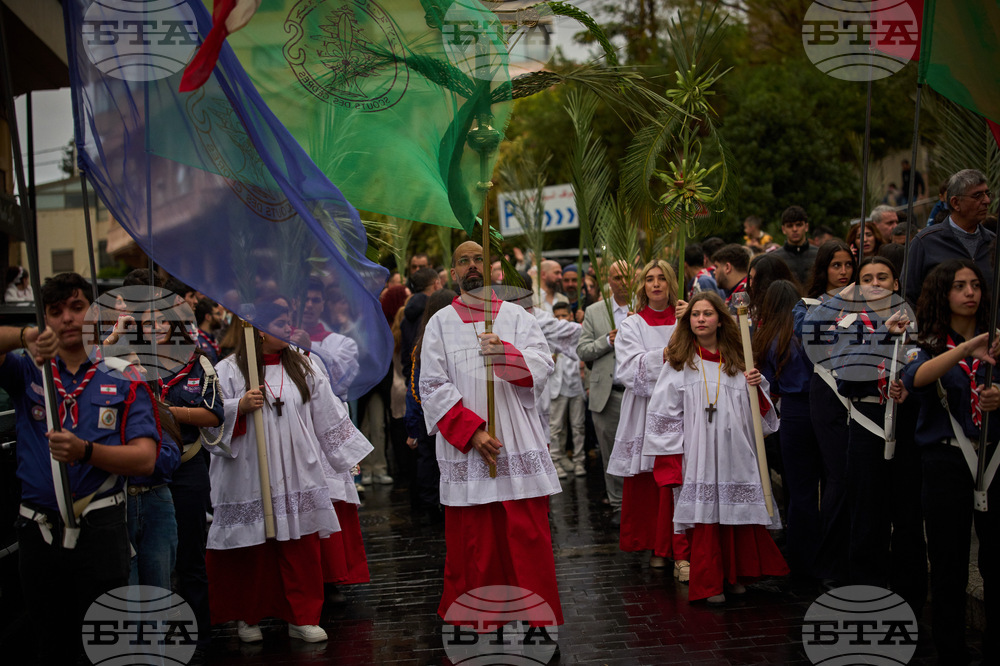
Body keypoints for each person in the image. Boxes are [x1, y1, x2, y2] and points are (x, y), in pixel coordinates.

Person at [0, 272, 160, 664]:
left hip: (101, 531)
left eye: (76, 307)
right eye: (55, 312)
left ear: (95, 314)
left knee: (103, 648)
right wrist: (25, 337)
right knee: (51, 646)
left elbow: (145, 458)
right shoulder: (28, 371)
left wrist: (86, 451)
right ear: (46, 320)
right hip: (39, 534)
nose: (67, 319)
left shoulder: (123, 376)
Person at [205, 302, 372, 643]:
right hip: (249, 470)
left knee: (301, 544)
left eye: (288, 322)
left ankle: (302, 615)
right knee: (252, 545)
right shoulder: (228, 371)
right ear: (256, 329)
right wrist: (239, 407)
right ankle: (248, 617)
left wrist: (348, 456)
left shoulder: (303, 366)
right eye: (279, 322)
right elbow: (209, 421)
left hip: (296, 470)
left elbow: (328, 412)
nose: (288, 328)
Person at [419, 240, 563, 631]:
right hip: (469, 449)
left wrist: (506, 354)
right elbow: (431, 386)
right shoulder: (440, 323)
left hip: (516, 442)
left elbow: (542, 365)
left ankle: (534, 621)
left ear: (494, 269)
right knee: (476, 545)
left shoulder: (517, 317)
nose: (471, 266)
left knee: (526, 539)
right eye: (463, 261)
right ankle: (481, 623)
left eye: (478, 259)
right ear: (452, 273)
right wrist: (473, 432)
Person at [643, 291, 788, 603]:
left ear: (721, 320)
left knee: (735, 513)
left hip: (734, 452)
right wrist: (673, 456)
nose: (700, 320)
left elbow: (759, 414)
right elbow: (663, 412)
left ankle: (735, 575)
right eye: (695, 315)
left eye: (707, 314)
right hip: (699, 454)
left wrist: (756, 386)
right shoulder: (680, 364)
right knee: (707, 516)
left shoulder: (739, 361)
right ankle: (711, 583)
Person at [902, 259, 999, 664]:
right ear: (943, 294)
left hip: (993, 460)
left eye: (975, 284)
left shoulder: (996, 341)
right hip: (945, 459)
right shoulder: (924, 342)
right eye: (960, 286)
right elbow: (915, 379)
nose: (970, 292)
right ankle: (952, 652)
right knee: (948, 563)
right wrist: (963, 348)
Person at [822, 257, 912, 588]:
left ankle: (905, 585)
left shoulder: (915, 320)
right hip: (867, 417)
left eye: (883, 277)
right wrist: (883, 338)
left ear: (896, 284)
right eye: (867, 278)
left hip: (908, 419)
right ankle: (866, 586)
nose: (875, 283)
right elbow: (846, 368)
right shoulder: (847, 322)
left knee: (906, 511)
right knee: (866, 510)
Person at [606, 259, 690, 580]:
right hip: (645, 409)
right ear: (642, 286)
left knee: (678, 478)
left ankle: (679, 547)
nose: (656, 285)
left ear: (671, 283)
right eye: (649, 280)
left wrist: (688, 326)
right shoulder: (632, 325)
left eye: (662, 279)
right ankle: (657, 546)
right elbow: (629, 370)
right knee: (650, 481)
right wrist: (665, 355)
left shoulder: (687, 318)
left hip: (684, 409)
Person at [795, 241, 855, 585]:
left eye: (849, 264)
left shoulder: (869, 302)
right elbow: (809, 338)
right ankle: (832, 563)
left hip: (865, 394)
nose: (844, 271)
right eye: (836, 265)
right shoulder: (807, 305)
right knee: (839, 475)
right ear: (823, 269)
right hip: (828, 391)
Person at [753, 280, 819, 580]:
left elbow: (768, 385)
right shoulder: (808, 327)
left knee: (799, 490)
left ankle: (801, 561)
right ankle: (827, 556)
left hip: (792, 410)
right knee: (830, 486)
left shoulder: (768, 336)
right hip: (823, 406)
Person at [578, 261, 631, 523]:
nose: (622, 282)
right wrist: (607, 341)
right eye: (617, 277)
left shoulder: (643, 309)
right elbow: (583, 350)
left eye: (627, 276)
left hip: (637, 393)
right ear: (608, 281)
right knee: (610, 453)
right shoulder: (595, 311)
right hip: (607, 394)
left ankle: (641, 505)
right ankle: (618, 505)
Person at [905, 169, 996, 305]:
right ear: (955, 203)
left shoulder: (993, 243)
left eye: (987, 194)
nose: (987, 201)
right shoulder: (925, 242)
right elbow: (906, 296)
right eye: (977, 195)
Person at [404, 289, 455, 520]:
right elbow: (416, 388)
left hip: (449, 412)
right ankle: (430, 507)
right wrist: (414, 425)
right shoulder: (424, 343)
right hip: (431, 415)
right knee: (429, 461)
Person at [549, 302, 587, 477]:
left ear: (571, 316)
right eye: (557, 317)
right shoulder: (551, 336)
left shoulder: (578, 332)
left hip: (576, 386)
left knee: (578, 426)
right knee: (556, 427)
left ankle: (580, 460)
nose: (561, 320)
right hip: (558, 386)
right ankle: (556, 460)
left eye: (564, 316)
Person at [773, 206, 819, 285]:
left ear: (806, 227)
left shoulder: (819, 254)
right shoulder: (775, 258)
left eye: (799, 225)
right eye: (790, 226)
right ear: (783, 229)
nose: (794, 229)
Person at [747, 253, 798, 324]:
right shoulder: (756, 307)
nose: (751, 284)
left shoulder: (787, 315)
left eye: (756, 280)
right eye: (750, 278)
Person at [194, 297, 223, 364]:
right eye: (218, 314)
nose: (220, 318)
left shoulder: (213, 339)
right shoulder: (197, 341)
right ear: (208, 317)